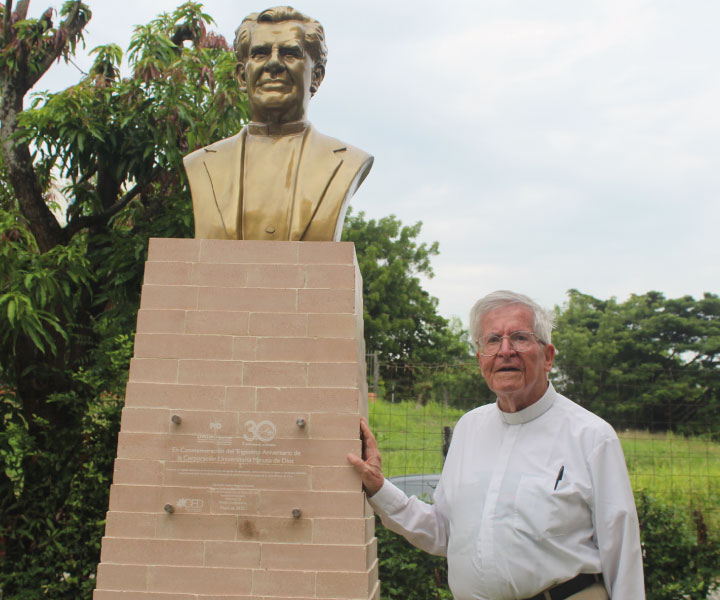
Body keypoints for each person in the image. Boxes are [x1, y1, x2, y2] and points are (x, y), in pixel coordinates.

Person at [348, 290, 645, 600]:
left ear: (548, 357)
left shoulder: (591, 436)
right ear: (481, 361)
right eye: (492, 340)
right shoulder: (469, 429)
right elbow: (445, 532)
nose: (506, 350)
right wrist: (379, 488)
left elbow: (622, 551)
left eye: (519, 338)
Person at [183, 6, 373, 241]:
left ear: (316, 76)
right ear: (242, 75)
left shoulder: (347, 162)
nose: (273, 63)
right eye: (260, 53)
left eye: (290, 53)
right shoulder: (202, 164)